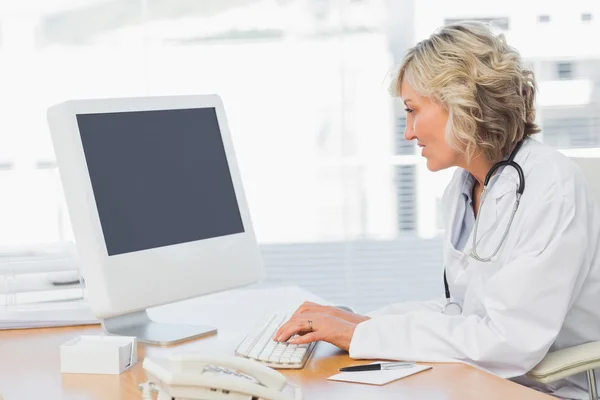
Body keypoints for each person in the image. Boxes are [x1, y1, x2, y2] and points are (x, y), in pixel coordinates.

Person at [274, 22, 600, 399]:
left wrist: (358, 334)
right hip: (483, 377)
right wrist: (358, 320)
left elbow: (510, 341)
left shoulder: (550, 186)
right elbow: (459, 312)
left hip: (550, 388)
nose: (408, 133)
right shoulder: (466, 188)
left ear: (463, 104)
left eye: (413, 111)